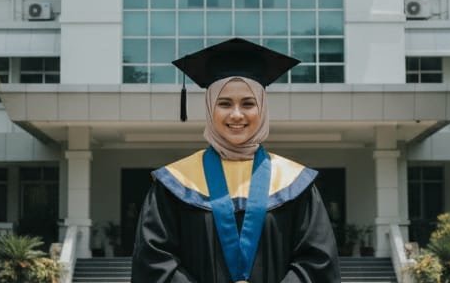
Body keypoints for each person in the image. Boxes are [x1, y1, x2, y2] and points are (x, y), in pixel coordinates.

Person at [131, 38, 340, 283]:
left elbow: (318, 264)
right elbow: (153, 264)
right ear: (210, 108)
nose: (237, 114)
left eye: (248, 103)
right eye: (224, 103)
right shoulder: (174, 184)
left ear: (262, 109)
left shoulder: (295, 183)